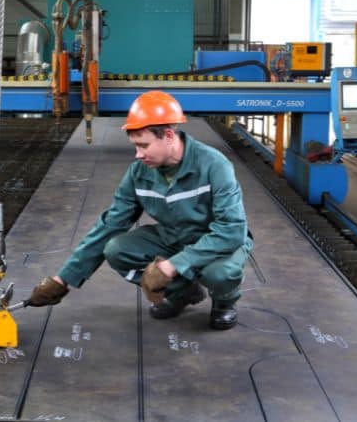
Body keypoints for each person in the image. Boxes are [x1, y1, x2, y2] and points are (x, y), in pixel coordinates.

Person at [28, 90, 252, 330]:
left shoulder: (214, 165)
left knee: (219, 274)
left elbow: (232, 229)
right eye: (135, 146)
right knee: (116, 250)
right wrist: (63, 279)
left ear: (168, 135)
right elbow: (110, 225)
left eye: (143, 145)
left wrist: (174, 264)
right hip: (173, 238)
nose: (138, 154)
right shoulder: (139, 173)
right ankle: (182, 293)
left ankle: (225, 302)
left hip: (216, 243)